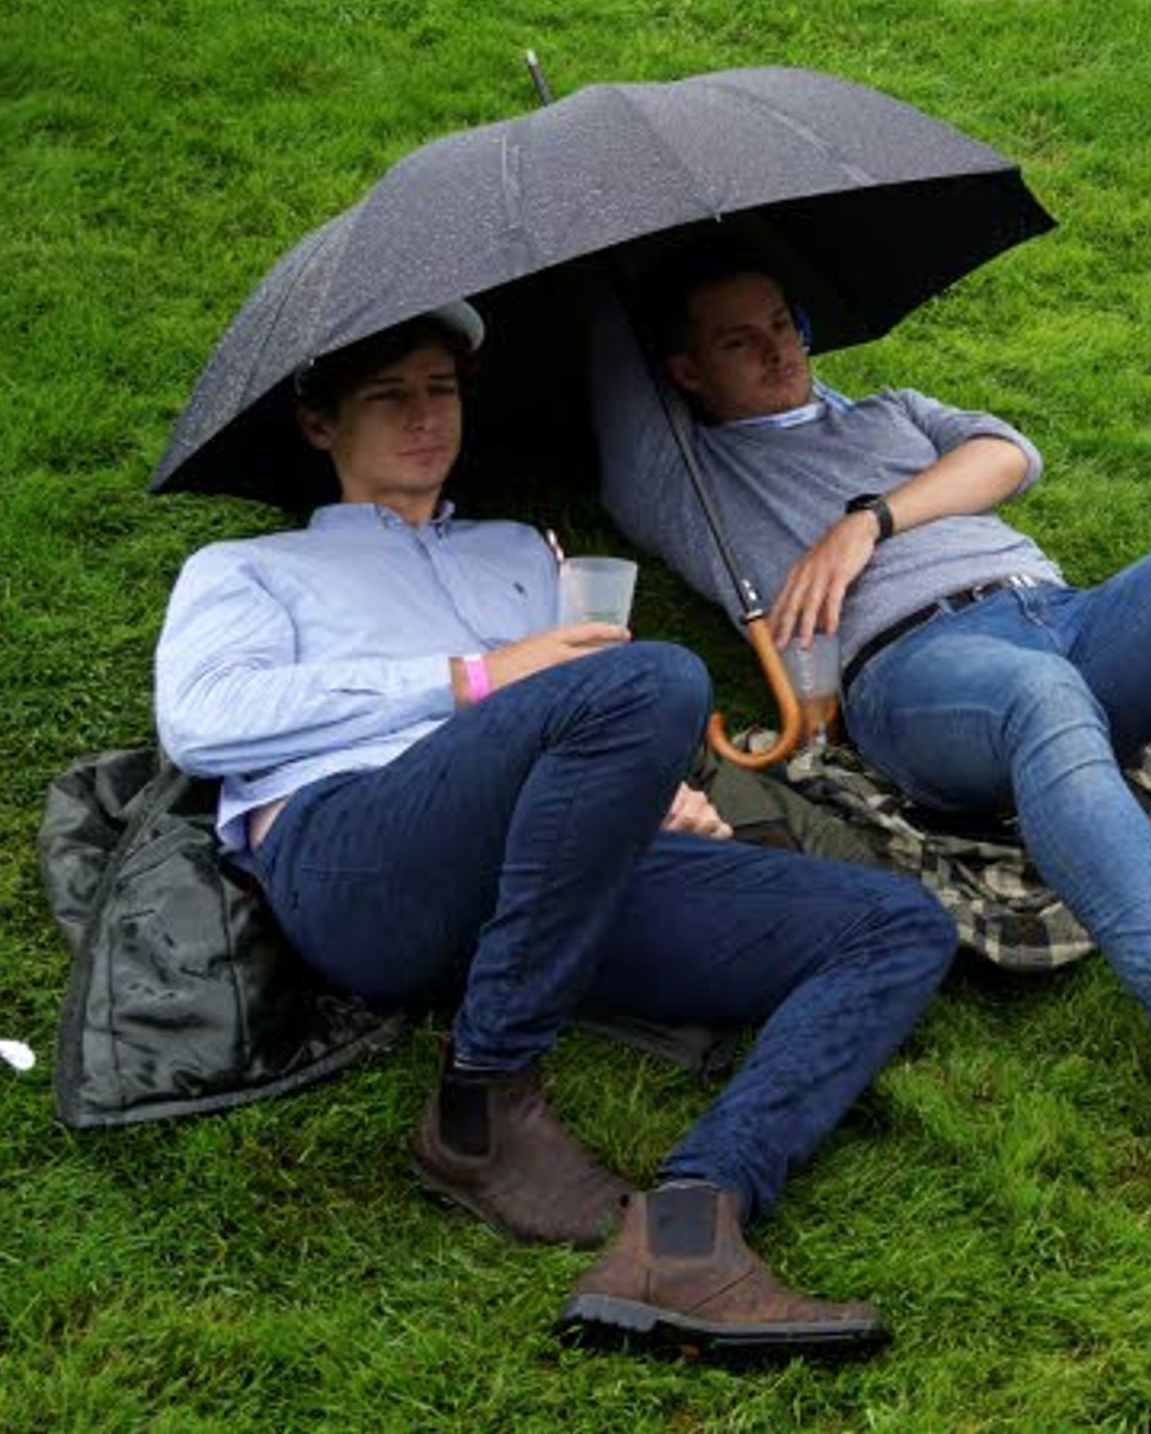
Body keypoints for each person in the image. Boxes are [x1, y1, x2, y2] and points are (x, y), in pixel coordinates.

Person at [156, 307, 952, 1357]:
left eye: (440, 389)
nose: (424, 415)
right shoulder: (249, 567)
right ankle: (483, 1100)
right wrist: (473, 678)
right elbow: (204, 720)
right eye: (389, 394)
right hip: (361, 855)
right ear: (318, 423)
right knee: (651, 674)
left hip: (549, 868)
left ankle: (690, 1226)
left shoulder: (521, 552)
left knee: (900, 922)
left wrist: (648, 785)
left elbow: (586, 707)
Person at [591, 259, 1151, 1192]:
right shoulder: (686, 472)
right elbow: (607, 340)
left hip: (1061, 613)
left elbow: (1012, 455)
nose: (779, 349)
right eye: (740, 340)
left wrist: (870, 521)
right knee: (1040, 696)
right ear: (685, 371)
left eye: (784, 321)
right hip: (918, 669)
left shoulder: (886, 409)